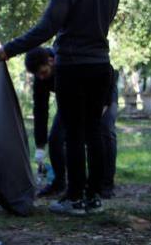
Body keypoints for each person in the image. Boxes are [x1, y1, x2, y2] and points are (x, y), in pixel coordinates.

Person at [0, 0, 120, 216]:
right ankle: (95, 197)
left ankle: (74, 198)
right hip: (101, 66)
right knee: (94, 132)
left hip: (73, 68)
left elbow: (45, 29)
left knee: (74, 133)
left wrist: (10, 49)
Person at [24, 47, 119, 199]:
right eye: (38, 75)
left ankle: (105, 184)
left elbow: (107, 71)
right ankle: (59, 182)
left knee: (104, 131)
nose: (41, 78)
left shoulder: (70, 57)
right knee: (56, 138)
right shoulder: (41, 78)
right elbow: (40, 110)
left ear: (51, 61)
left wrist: (103, 106)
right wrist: (40, 145)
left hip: (102, 89)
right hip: (70, 98)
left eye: (44, 72)